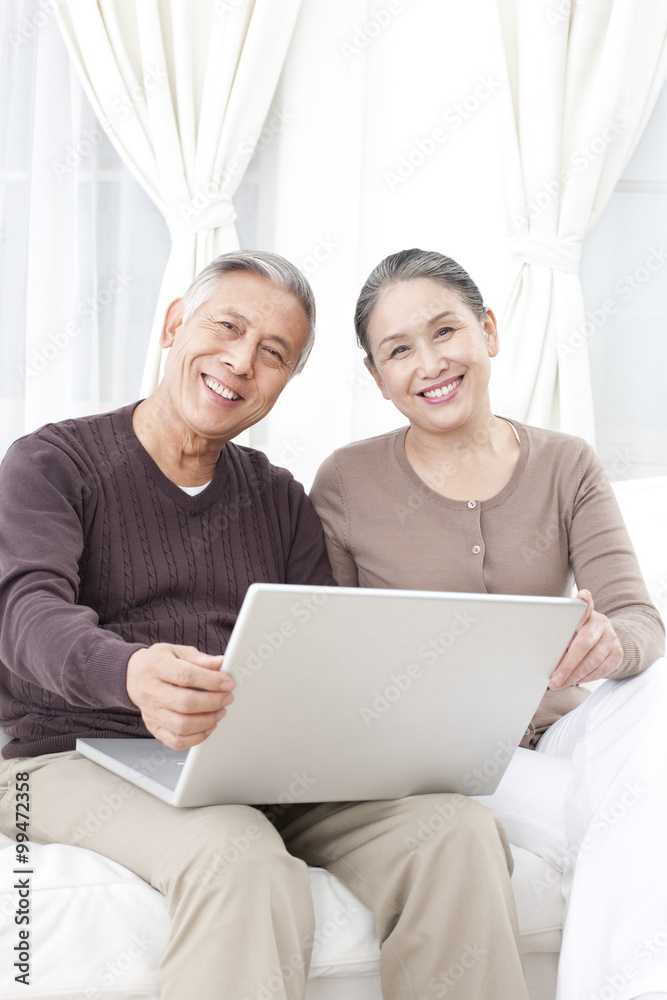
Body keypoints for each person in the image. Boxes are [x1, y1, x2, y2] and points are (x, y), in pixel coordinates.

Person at [0, 250, 530, 1000]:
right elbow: (26, 615)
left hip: (257, 763)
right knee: (237, 854)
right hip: (66, 757)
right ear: (175, 324)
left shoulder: (279, 499)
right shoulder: (52, 464)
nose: (241, 361)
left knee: (455, 834)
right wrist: (130, 673)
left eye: (273, 353)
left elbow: (324, 653)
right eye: (227, 327)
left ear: (284, 384)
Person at [310, 248, 667, 1000]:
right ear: (377, 379)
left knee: (656, 693)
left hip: (564, 734)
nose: (430, 362)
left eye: (445, 332)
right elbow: (327, 651)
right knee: (633, 819)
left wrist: (612, 643)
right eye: (398, 350)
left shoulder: (565, 464)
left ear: (489, 332)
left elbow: (640, 619)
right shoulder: (345, 482)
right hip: (442, 763)